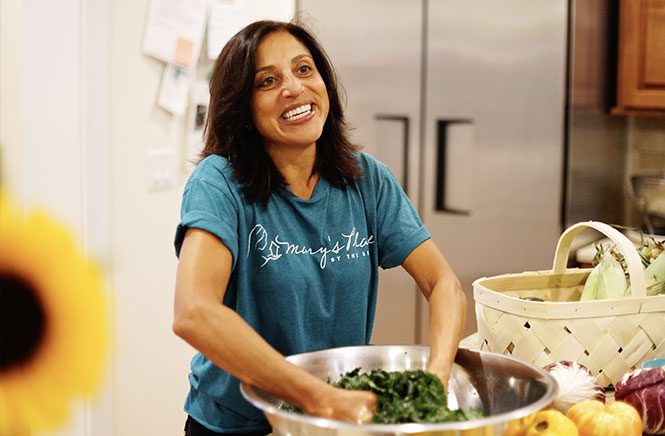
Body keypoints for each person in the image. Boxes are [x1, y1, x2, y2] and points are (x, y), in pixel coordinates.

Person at [172, 19, 467, 436]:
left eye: (304, 69)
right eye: (267, 81)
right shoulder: (220, 183)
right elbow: (194, 312)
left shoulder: (367, 180)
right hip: (238, 426)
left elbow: (444, 285)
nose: (294, 88)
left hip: (335, 421)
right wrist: (318, 396)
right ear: (242, 108)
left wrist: (435, 380)